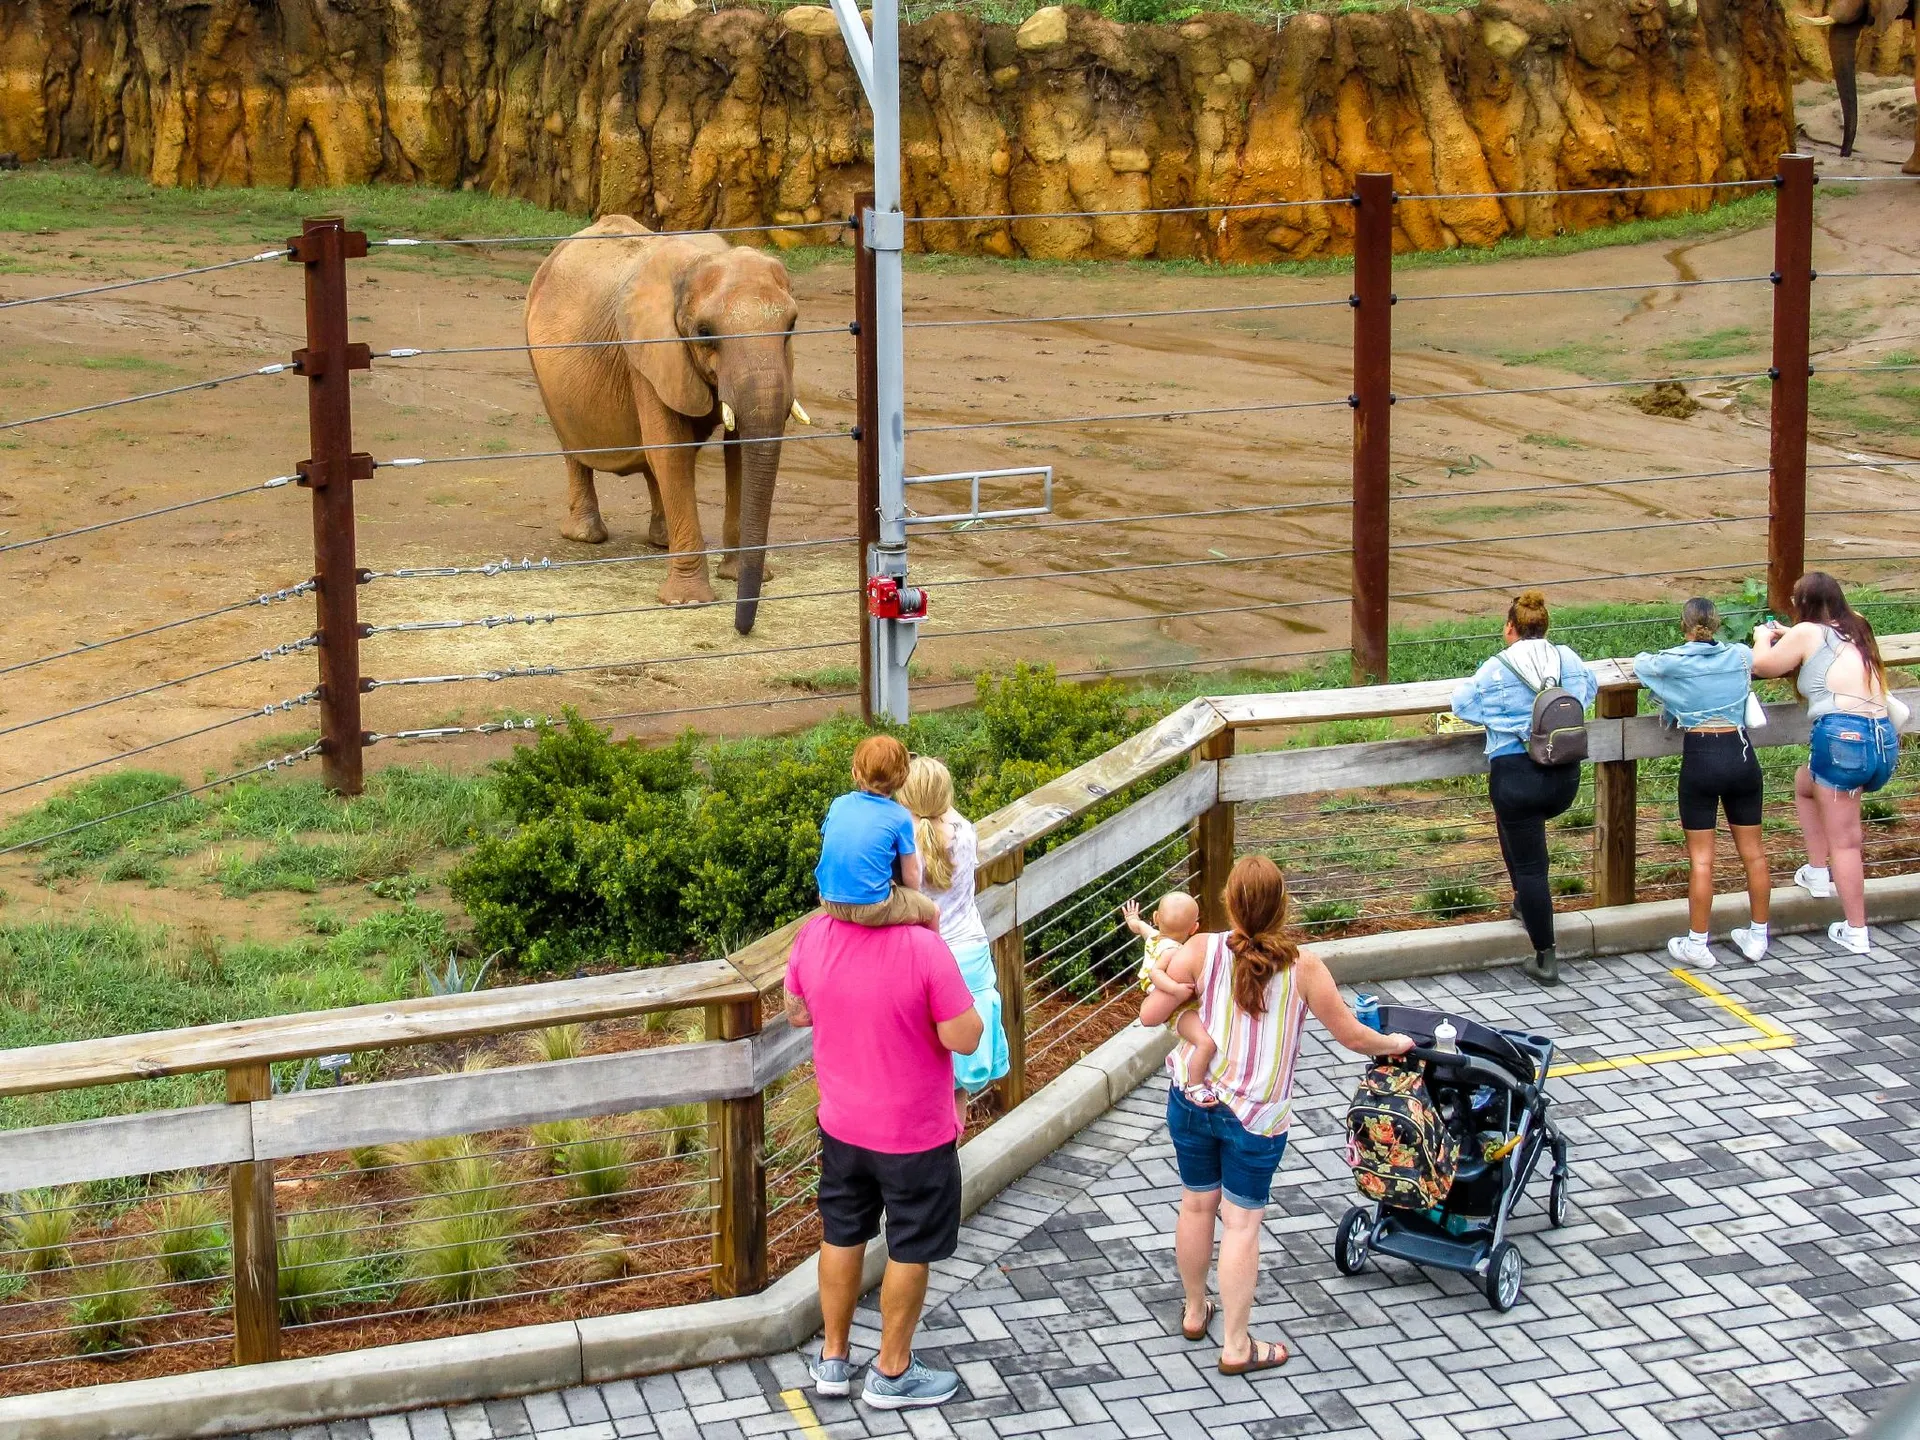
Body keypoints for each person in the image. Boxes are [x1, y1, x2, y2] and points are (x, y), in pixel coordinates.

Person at [1140, 855, 1411, 1377]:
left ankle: (1195, 1312)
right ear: (1283, 907)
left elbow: (1151, 1013)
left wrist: (1180, 992)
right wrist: (1393, 1042)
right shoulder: (1304, 968)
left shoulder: (1200, 949)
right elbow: (1352, 1036)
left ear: (1229, 904)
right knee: (1241, 1224)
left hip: (1193, 1099)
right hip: (1256, 1117)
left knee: (1197, 1205)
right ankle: (1237, 1345)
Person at [785, 909, 984, 1409]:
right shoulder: (922, 947)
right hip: (914, 1136)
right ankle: (892, 1373)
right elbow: (965, 1036)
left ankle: (833, 1359)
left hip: (843, 1126)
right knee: (912, 1242)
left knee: (842, 1229)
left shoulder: (813, 934)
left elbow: (797, 1011)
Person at [1752, 572, 1908, 956]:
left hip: (1843, 741)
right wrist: (1788, 633)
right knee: (1806, 782)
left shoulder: (1806, 631)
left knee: (1847, 841)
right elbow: (1825, 647)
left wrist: (1762, 637)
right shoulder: (1857, 625)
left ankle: (1856, 929)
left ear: (1802, 603)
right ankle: (1816, 872)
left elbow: (1765, 665)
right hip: (1882, 742)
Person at [1449, 589, 1598, 985]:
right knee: (1516, 835)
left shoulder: (1496, 669)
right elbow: (1589, 690)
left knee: (1532, 865)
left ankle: (1545, 956)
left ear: (1510, 628)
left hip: (1516, 778)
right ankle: (1524, 903)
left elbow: (1462, 705)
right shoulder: (1567, 658)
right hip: (1563, 777)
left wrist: (1506, 720)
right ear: (1546, 626)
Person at [1634, 598, 1771, 966]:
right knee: (1754, 854)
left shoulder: (1674, 661)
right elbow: (1757, 656)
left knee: (1701, 860)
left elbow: (1641, 663)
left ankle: (1698, 943)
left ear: (1684, 625)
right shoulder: (1740, 655)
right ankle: (1758, 936)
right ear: (1719, 623)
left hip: (1701, 756)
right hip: (1741, 753)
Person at [896, 755, 1009, 1128]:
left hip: (925, 956)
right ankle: (950, 1157)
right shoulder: (964, 829)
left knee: (922, 1064)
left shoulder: (902, 841)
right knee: (957, 1081)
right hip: (970, 952)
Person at [815, 734, 939, 930]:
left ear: (855, 773)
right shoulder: (900, 816)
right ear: (902, 780)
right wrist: (914, 897)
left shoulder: (838, 804)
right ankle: (934, 957)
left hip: (829, 900)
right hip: (872, 907)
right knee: (932, 912)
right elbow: (911, 872)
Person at [1121, 892, 1214, 1095]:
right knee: (1205, 1043)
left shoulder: (1153, 937)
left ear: (1155, 918)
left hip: (1171, 1003)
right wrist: (1175, 990)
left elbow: (1138, 928)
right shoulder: (1174, 951)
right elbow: (1156, 973)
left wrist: (1132, 919)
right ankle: (1195, 1084)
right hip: (1179, 1010)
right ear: (1194, 928)